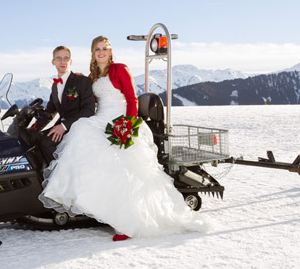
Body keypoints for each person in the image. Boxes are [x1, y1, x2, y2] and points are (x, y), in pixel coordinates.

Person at [39, 36, 208, 241]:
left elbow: (131, 98)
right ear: (93, 53)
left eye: (105, 49)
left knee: (121, 168)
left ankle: (128, 223)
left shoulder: (119, 69)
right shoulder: (92, 75)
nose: (101, 52)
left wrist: (127, 125)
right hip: (99, 118)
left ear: (110, 52)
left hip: (120, 119)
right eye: (97, 49)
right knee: (84, 139)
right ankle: (91, 203)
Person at [38, 45, 96, 164]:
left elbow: (89, 110)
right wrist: (34, 127)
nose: (62, 61)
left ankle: (59, 176)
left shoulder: (82, 81)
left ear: (71, 61)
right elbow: (49, 112)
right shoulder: (54, 86)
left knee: (46, 143)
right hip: (63, 125)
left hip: (79, 126)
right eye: (58, 58)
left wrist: (64, 126)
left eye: (66, 58)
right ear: (53, 62)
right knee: (35, 139)